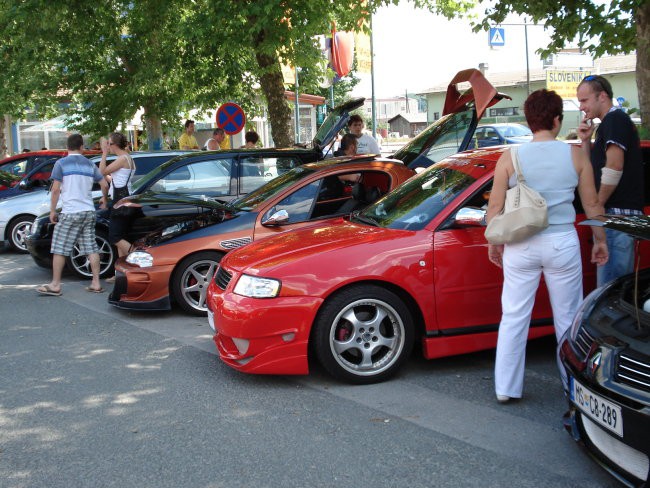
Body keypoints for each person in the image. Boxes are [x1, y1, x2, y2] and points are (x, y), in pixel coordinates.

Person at [486, 89, 608, 403]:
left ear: (529, 122)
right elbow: (592, 203)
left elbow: (495, 207)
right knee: (567, 318)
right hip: (561, 243)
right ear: (556, 120)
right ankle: (571, 387)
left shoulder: (510, 157)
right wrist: (599, 241)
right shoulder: (575, 155)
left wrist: (495, 243)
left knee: (513, 316)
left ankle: (506, 389)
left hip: (520, 243)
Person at [576, 74, 644, 287]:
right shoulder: (609, 123)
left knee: (610, 293)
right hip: (614, 216)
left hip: (616, 216)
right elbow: (587, 169)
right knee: (610, 289)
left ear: (602, 96)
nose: (581, 107)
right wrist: (586, 141)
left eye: (585, 100)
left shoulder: (615, 119)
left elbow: (614, 167)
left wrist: (598, 205)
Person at [37, 133, 109, 296]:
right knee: (91, 247)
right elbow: (104, 184)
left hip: (71, 212)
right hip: (88, 211)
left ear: (67, 147)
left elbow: (56, 189)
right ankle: (96, 283)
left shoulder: (61, 163)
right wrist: (104, 199)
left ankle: (55, 285)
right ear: (82, 147)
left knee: (59, 248)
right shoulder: (90, 165)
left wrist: (53, 210)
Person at [99, 132, 136, 282]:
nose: (108, 146)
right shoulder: (126, 158)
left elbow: (102, 171)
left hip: (121, 201)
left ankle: (138, 258)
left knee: (115, 237)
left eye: (109, 144)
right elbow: (112, 178)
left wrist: (104, 153)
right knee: (120, 237)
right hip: (123, 199)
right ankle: (121, 273)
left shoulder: (122, 158)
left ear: (114, 145)